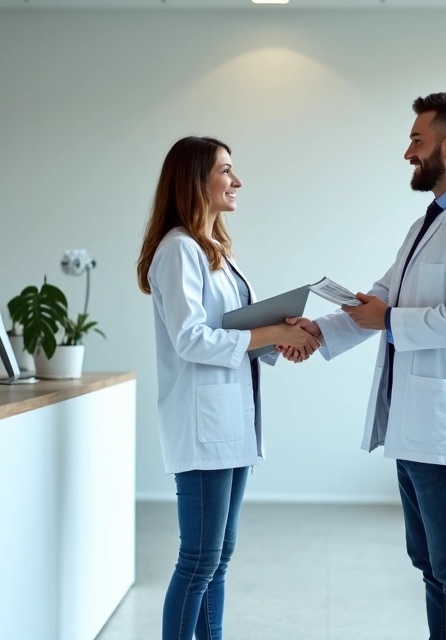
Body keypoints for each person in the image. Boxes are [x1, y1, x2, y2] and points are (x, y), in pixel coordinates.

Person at [284, 92, 446, 640]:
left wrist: (388, 320)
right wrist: (320, 330)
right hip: (414, 428)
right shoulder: (427, 223)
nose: (408, 151)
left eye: (417, 139)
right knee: (433, 568)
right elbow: (380, 303)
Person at [135, 136, 320, 640]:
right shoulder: (178, 250)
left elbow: (232, 329)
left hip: (233, 421)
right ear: (196, 180)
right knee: (197, 559)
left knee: (218, 559)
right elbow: (192, 339)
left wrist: (282, 336)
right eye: (226, 171)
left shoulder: (213, 250)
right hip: (203, 426)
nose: (236, 181)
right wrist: (271, 334)